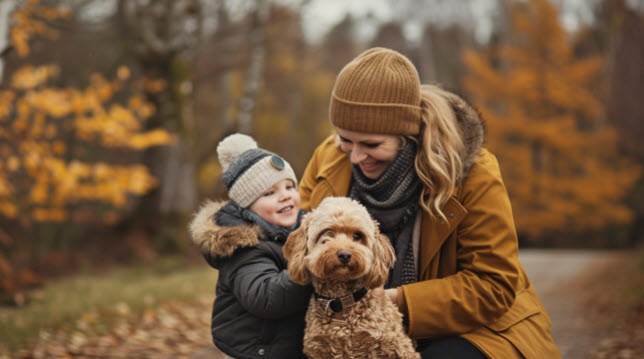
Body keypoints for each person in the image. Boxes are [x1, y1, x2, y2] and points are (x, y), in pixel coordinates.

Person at [299, 47, 561, 359]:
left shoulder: (474, 172)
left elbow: (492, 286)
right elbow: (292, 238)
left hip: (478, 330)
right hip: (350, 319)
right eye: (345, 139)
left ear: (407, 134)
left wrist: (392, 301)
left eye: (372, 144)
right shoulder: (329, 157)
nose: (355, 156)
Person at [189, 133, 311, 359]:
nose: (285, 196)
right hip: (258, 350)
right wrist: (310, 265)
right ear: (248, 207)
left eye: (289, 187)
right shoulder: (244, 246)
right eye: (269, 193)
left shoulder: (304, 229)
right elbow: (266, 297)